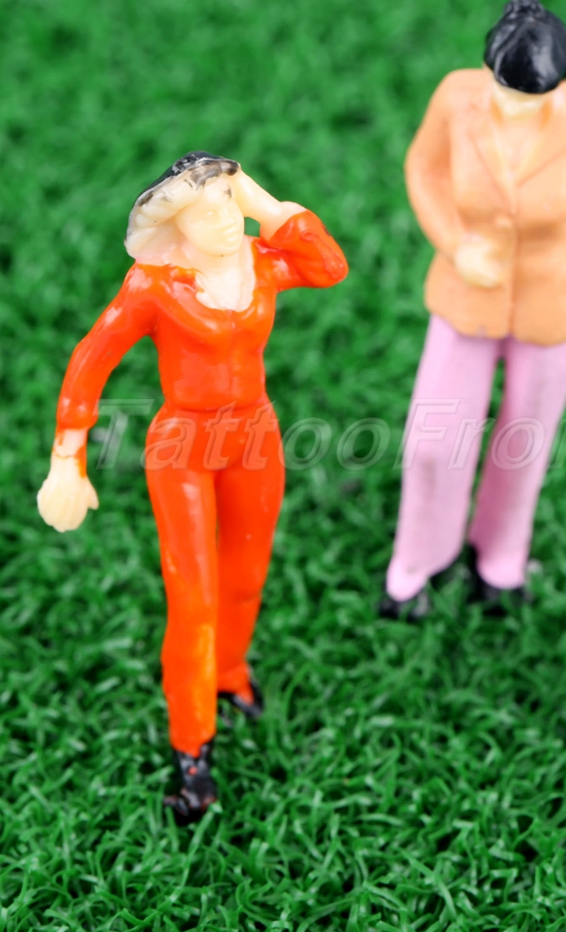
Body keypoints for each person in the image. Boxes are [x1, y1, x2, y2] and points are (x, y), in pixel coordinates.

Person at [36, 152, 348, 822]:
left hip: (255, 435)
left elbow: (328, 267)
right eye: (206, 213)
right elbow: (91, 359)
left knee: (247, 575)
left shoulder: (259, 262)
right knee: (193, 596)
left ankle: (230, 672)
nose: (226, 222)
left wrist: (264, 204)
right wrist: (68, 456)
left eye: (228, 203)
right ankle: (192, 744)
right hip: (183, 444)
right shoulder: (155, 285)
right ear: (175, 225)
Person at [381, 0, 566, 618]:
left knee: (524, 439)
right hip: (467, 294)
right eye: (506, 90)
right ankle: (418, 560)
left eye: (533, 95)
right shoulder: (455, 99)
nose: (516, 104)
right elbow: (425, 172)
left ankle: (500, 558)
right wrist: (456, 244)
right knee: (435, 439)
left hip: (556, 302)